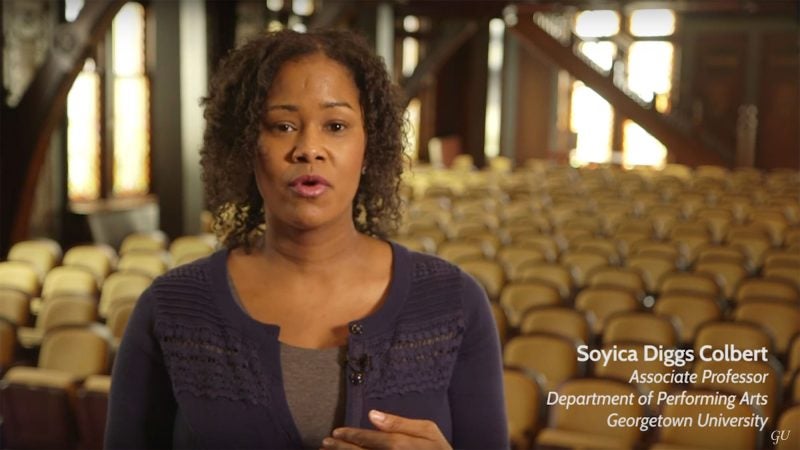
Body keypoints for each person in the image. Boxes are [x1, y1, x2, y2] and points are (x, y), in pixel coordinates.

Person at [106, 28, 508, 450]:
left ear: (369, 147)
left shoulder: (453, 303)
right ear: (247, 146)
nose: (308, 149)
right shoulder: (171, 309)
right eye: (282, 125)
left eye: (336, 125)